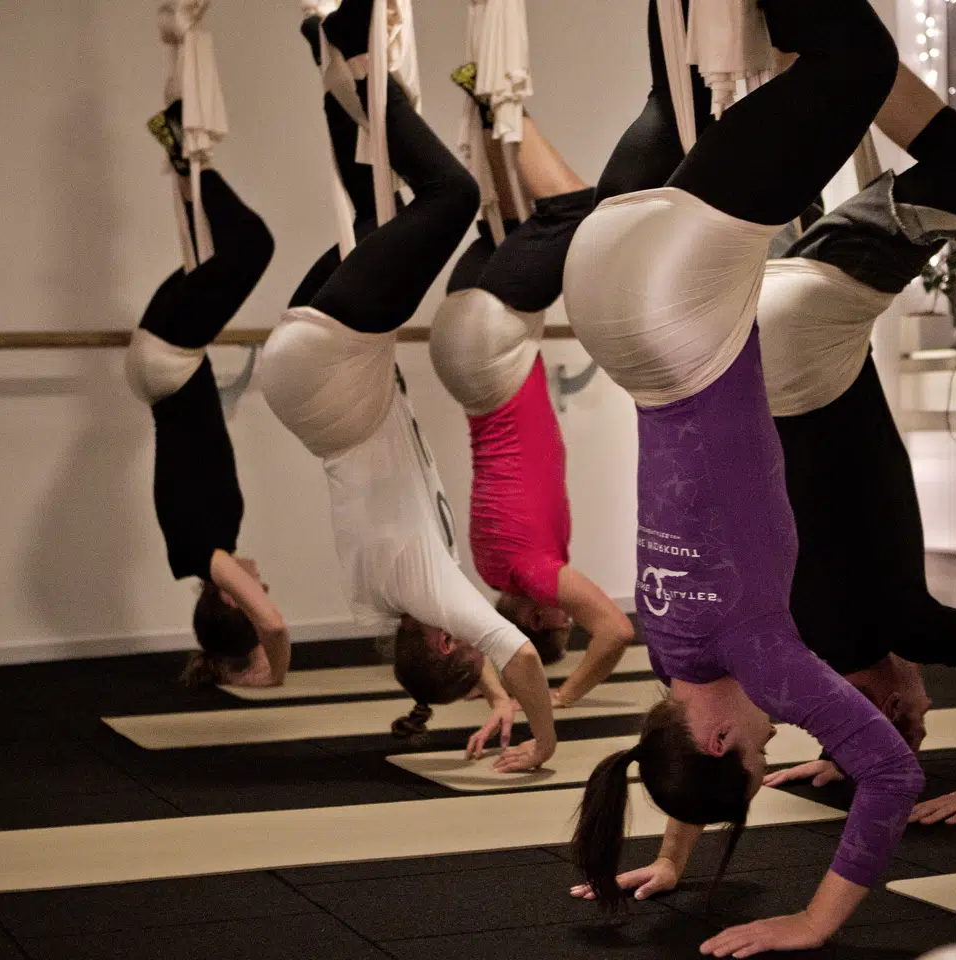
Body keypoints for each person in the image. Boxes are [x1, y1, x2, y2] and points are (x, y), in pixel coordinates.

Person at [564, 1, 921, 954]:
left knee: (860, 58)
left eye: (764, 750)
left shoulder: (760, 654)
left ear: (724, 740)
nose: (775, 735)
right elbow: (688, 747)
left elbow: (893, 776)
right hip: (606, 298)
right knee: (681, 75)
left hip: (677, 308)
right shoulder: (669, 653)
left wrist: (810, 921)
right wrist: (672, 856)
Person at [755, 64, 956, 825]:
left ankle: (845, 48)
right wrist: (844, 750)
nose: (923, 711)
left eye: (911, 720)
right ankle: (795, 53)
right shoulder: (813, 636)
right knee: (762, 130)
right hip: (764, 345)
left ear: (893, 701)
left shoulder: (901, 622)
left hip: (806, 333)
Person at [258, 0, 556, 772]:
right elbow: (479, 649)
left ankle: (354, 55)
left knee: (450, 198)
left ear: (447, 640)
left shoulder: (428, 588)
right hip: (309, 383)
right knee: (371, 213)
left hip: (333, 376)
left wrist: (543, 735)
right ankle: (336, 58)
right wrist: (491, 695)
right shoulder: (394, 598)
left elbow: (520, 653)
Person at [429, 85, 636, 748]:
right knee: (512, 221)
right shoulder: (495, 568)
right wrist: (501, 684)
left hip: (489, 352)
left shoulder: (529, 572)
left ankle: (502, 99)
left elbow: (616, 632)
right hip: (464, 349)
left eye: (560, 622)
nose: (567, 613)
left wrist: (563, 696)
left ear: (540, 617)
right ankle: (490, 104)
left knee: (574, 210)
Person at [128, 3, 289, 688]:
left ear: (229, 600)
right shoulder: (201, 552)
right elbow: (264, 616)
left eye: (254, 593)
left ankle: (179, 140)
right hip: (169, 361)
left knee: (252, 246)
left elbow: (273, 623)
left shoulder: (204, 554)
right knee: (218, 251)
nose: (263, 584)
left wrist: (272, 672)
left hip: (168, 361)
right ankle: (182, 148)